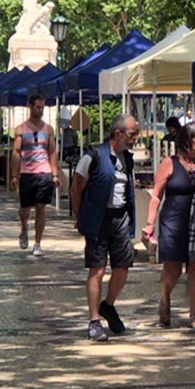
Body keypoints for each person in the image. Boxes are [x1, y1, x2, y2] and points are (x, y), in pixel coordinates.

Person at [143, 121, 195, 329]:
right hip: (174, 222)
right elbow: (156, 195)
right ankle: (165, 299)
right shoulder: (169, 163)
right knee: (173, 269)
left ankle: (193, 316)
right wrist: (149, 224)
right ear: (187, 141)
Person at [70, 115, 139, 342]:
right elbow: (76, 188)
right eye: (132, 134)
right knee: (97, 270)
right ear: (118, 133)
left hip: (120, 218)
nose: (135, 139)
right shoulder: (94, 156)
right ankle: (94, 320)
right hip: (98, 219)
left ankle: (108, 305)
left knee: (122, 268)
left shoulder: (127, 158)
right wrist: (81, 217)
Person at [10, 94, 60, 257]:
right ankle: (24, 227)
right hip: (27, 173)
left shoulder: (48, 129)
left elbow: (52, 151)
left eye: (42, 107)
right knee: (25, 209)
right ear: (30, 107)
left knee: (41, 207)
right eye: (38, 107)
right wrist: (14, 175)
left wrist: (54, 174)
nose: (40, 110)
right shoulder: (21, 129)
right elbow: (16, 152)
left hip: (44, 172)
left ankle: (38, 243)